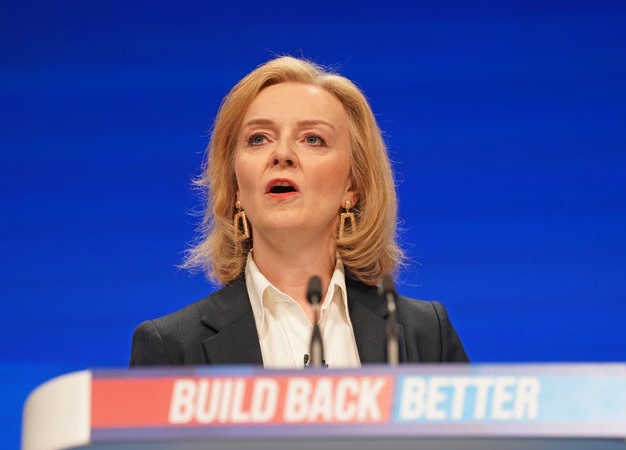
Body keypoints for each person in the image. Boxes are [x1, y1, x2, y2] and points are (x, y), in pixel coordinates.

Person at [130, 56, 468, 367]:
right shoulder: (171, 347)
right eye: (259, 138)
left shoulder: (425, 335)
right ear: (235, 187)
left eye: (313, 139)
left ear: (353, 185)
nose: (282, 154)